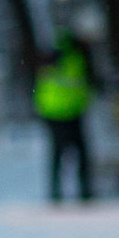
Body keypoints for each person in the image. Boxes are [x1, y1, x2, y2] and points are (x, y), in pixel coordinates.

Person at [35, 27, 95, 202]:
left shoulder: (52, 56)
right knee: (76, 153)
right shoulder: (74, 58)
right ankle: (78, 191)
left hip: (59, 111)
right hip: (64, 112)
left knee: (60, 154)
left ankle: (58, 192)